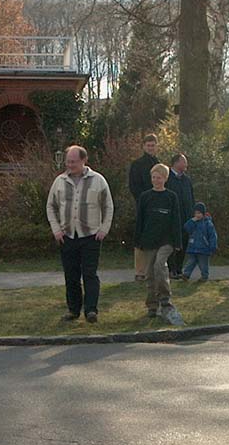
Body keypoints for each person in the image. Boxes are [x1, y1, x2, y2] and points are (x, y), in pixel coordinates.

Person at [47, 145, 114, 323]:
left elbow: (108, 206)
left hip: (91, 235)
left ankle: (91, 310)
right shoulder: (59, 181)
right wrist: (56, 229)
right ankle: (73, 310)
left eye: (73, 162)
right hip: (67, 236)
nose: (70, 165)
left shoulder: (98, 180)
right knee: (71, 275)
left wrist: (103, 229)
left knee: (90, 274)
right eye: (68, 161)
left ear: (84, 161)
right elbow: (50, 207)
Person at [134, 163, 182, 318]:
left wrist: (178, 242)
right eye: (153, 177)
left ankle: (165, 298)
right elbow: (140, 220)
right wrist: (138, 241)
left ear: (165, 178)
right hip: (148, 240)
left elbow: (176, 220)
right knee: (150, 274)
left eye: (159, 177)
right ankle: (152, 305)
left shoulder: (171, 197)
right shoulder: (145, 197)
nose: (156, 180)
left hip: (166, 240)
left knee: (160, 265)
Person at [128, 134, 159, 281]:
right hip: (143, 205)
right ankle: (140, 271)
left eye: (153, 145)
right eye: (148, 145)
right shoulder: (137, 164)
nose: (150, 148)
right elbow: (134, 186)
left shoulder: (158, 164)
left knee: (155, 237)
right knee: (141, 238)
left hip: (158, 205)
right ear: (143, 146)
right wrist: (143, 202)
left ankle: (152, 269)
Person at [166, 153, 194, 279]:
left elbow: (191, 198)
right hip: (172, 218)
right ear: (176, 163)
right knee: (172, 244)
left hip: (186, 218)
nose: (186, 164)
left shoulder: (187, 180)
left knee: (183, 243)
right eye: (184, 161)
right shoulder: (168, 178)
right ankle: (171, 269)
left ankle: (179, 268)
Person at [182, 202, 218, 282]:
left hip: (204, 248)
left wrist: (213, 246)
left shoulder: (208, 224)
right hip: (193, 247)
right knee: (190, 263)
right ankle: (186, 275)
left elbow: (213, 235)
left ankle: (204, 276)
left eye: (199, 213)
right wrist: (192, 220)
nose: (197, 215)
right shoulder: (193, 222)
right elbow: (186, 228)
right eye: (196, 213)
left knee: (203, 264)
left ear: (203, 213)